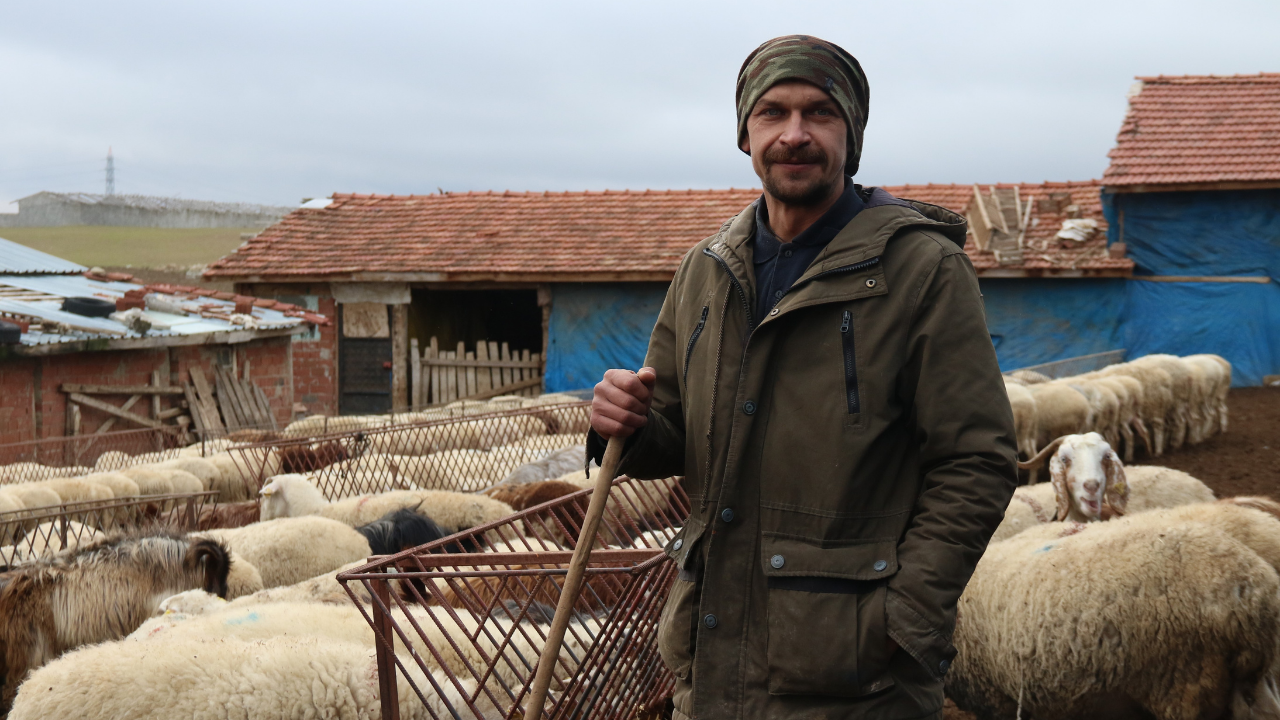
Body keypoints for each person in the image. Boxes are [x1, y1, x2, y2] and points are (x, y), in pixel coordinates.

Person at [587, 35, 1018, 719]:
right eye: (773, 113)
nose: (795, 134)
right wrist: (626, 423)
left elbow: (977, 460)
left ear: (852, 133)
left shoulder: (920, 271)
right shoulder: (705, 270)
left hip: (856, 681)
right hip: (713, 658)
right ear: (744, 133)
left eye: (819, 113)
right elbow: (673, 430)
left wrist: (902, 619)